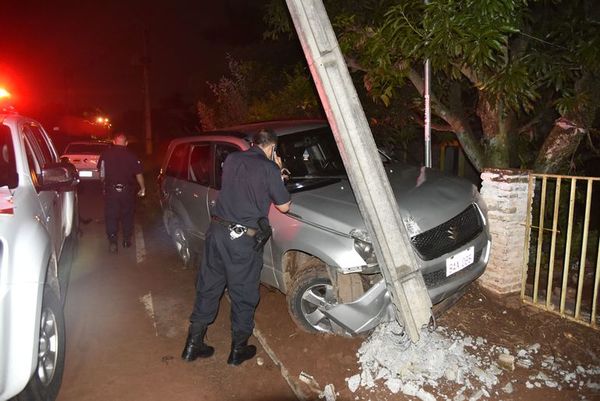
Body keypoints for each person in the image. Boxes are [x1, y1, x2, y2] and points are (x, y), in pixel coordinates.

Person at [182, 128, 291, 366]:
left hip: (217, 233)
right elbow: (284, 206)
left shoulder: (232, 159)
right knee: (243, 293)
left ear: (252, 143)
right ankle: (238, 350)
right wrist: (278, 172)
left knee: (209, 286)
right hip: (241, 240)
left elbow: (243, 186)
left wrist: (272, 173)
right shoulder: (269, 168)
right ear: (272, 148)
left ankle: (192, 345)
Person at [98, 132, 145, 254]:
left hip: (111, 190)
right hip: (127, 191)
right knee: (127, 215)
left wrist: (104, 185)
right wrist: (143, 187)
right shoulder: (132, 155)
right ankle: (126, 240)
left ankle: (113, 240)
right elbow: (138, 173)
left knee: (111, 215)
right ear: (126, 143)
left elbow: (101, 173)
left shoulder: (105, 154)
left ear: (114, 142)